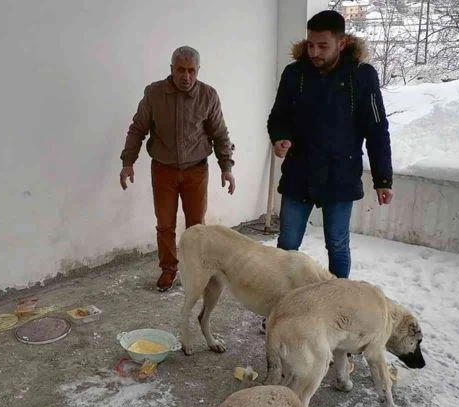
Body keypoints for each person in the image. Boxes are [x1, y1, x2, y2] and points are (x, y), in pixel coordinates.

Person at [267, 10, 393, 279]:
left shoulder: (362, 76)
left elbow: (377, 129)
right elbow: (278, 117)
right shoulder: (295, 74)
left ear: (342, 43)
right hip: (299, 172)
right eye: (310, 44)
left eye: (323, 46)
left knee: (337, 245)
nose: (314, 52)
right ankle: (280, 301)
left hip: (340, 175)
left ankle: (337, 300)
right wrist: (280, 137)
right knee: (287, 245)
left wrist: (383, 178)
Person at [120, 46, 237, 292]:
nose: (186, 76)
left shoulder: (208, 96)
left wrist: (226, 167)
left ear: (198, 70)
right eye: (181, 70)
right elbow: (137, 129)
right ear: (171, 69)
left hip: (196, 171)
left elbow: (220, 133)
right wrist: (128, 162)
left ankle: (197, 270)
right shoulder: (154, 94)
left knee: (196, 226)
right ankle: (168, 269)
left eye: (191, 71)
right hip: (163, 170)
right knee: (165, 224)